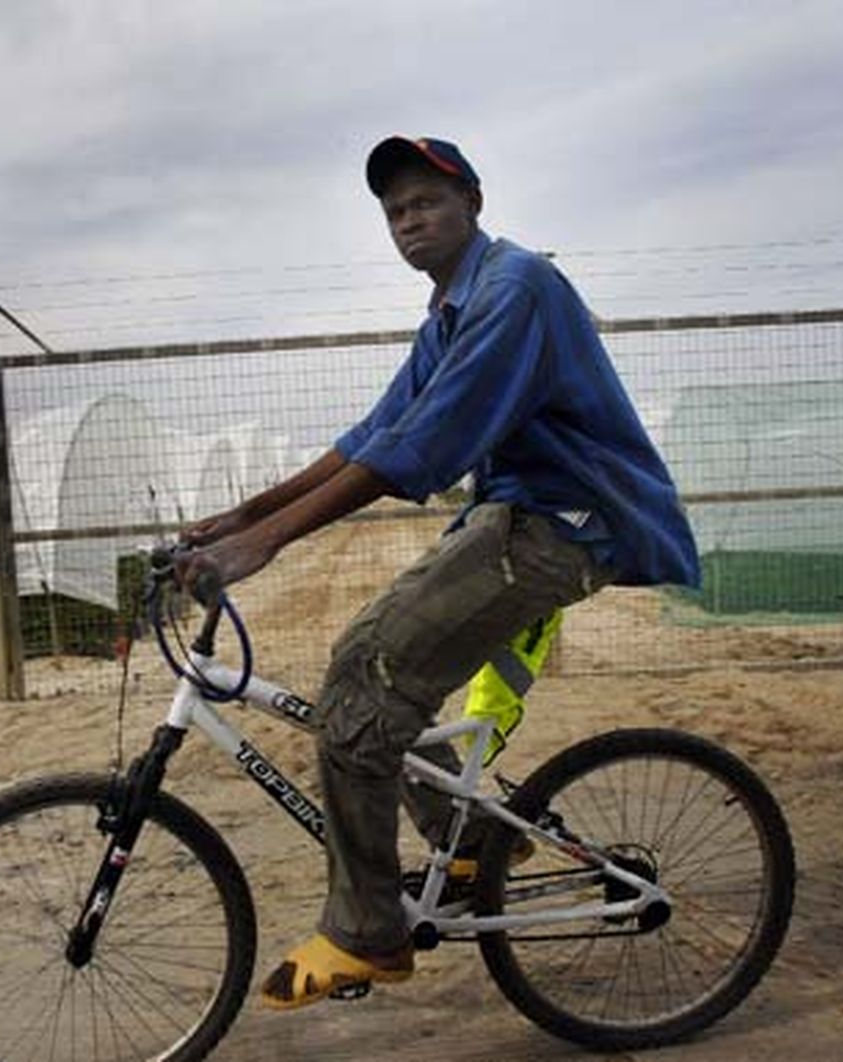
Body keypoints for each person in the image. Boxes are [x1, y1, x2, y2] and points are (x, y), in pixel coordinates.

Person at [178, 135, 700, 1009]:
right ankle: (468, 844)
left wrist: (266, 546)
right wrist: (242, 517)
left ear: (474, 203)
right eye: (394, 211)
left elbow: (419, 449)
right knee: (373, 674)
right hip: (514, 515)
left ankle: (367, 935)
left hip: (564, 526)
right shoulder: (450, 313)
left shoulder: (515, 289)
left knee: (363, 681)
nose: (409, 219)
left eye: (426, 200)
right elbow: (373, 433)